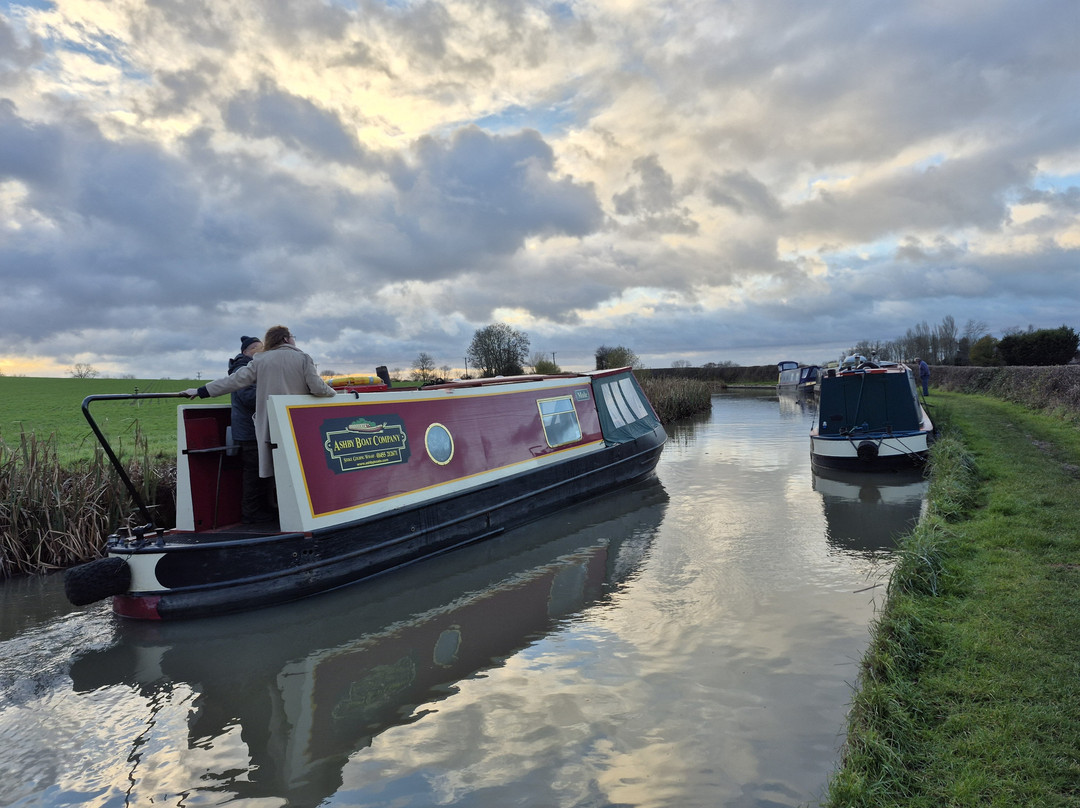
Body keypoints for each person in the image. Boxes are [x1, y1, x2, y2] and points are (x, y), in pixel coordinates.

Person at [184, 326, 337, 484]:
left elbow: (233, 381)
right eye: (292, 337)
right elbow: (318, 388)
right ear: (285, 339)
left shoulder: (260, 360)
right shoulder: (303, 358)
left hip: (270, 429)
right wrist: (335, 394)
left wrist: (201, 391)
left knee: (276, 473)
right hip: (298, 427)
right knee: (300, 469)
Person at [229, 335, 272, 523]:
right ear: (246, 352)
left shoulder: (250, 368)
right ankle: (251, 514)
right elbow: (248, 398)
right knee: (254, 473)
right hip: (249, 432)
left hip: (254, 430)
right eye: (256, 347)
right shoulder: (242, 370)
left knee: (260, 472)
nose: (260, 350)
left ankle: (262, 509)